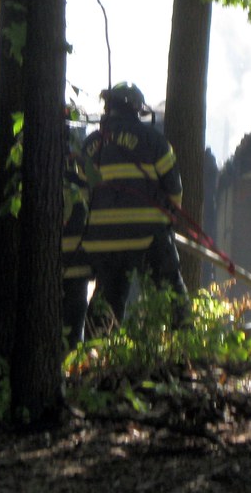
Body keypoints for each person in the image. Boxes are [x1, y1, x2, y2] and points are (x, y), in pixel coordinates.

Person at [81, 82, 189, 329]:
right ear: (136, 109)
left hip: (102, 240)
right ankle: (184, 344)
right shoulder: (154, 141)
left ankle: (95, 357)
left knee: (106, 303)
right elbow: (174, 192)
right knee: (172, 294)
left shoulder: (88, 146)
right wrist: (167, 222)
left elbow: (81, 194)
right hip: (147, 237)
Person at [61, 119, 92, 349]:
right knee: (73, 334)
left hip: (47, 268)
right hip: (79, 265)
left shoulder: (35, 183)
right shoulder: (83, 185)